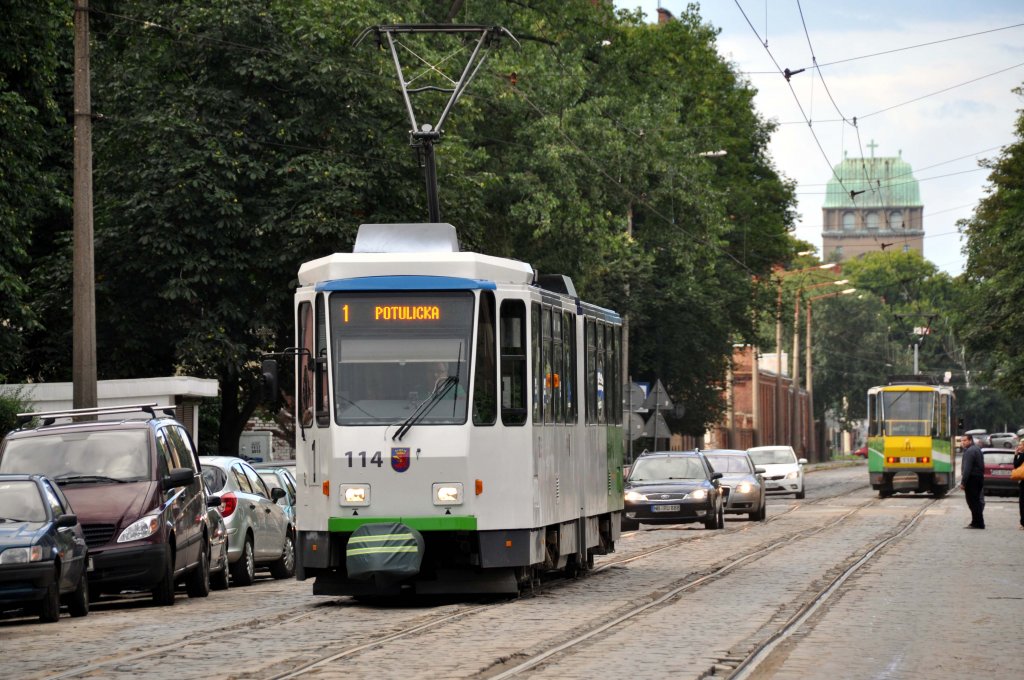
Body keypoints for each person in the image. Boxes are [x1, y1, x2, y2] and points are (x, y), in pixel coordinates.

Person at [958, 433, 985, 529]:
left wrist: (963, 482)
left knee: (973, 502)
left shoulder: (970, 451)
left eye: (965, 440)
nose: (963, 442)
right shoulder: (977, 449)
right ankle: (976, 522)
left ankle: (978, 523)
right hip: (978, 478)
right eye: (962, 440)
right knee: (975, 501)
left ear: (970, 440)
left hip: (972, 479)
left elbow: (967, 468)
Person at [1014, 439, 1024, 530]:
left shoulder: (1022, 455)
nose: (1019, 446)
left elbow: (1016, 465)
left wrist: (1016, 455)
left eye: (1020, 445)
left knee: (1022, 503)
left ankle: (1023, 523)